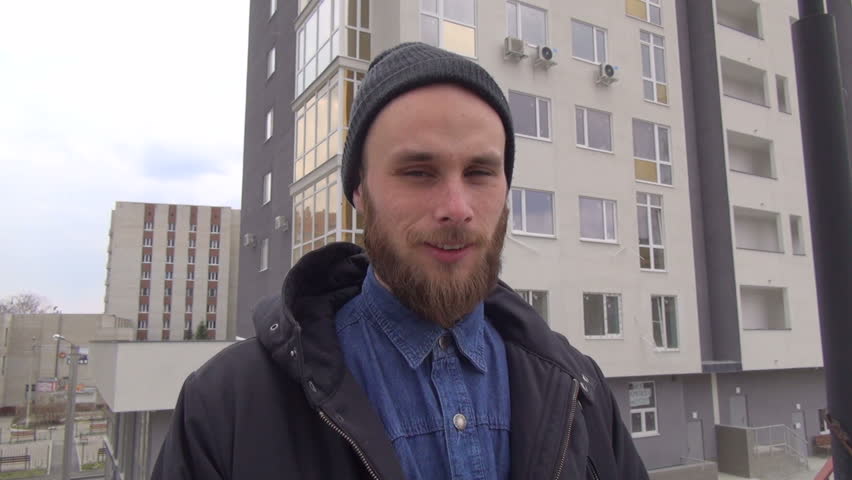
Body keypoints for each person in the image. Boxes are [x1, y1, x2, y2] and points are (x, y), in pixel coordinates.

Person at [153, 42, 649, 480]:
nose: (457, 208)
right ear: (360, 194)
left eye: (480, 172)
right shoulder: (227, 407)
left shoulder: (580, 391)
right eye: (418, 172)